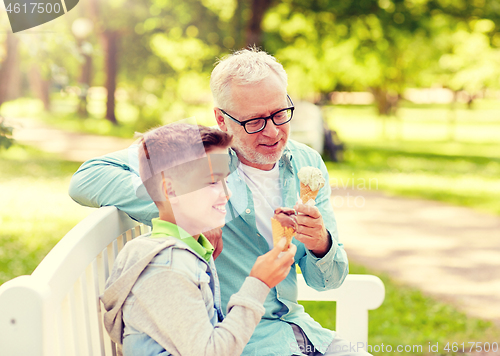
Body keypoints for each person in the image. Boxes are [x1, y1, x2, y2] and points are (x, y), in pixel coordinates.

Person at [70, 48, 369, 356]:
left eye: (280, 114)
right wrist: (188, 211)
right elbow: (88, 177)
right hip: (239, 341)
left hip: (299, 332)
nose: (273, 131)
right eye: (254, 121)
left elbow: (328, 282)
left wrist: (321, 242)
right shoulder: (196, 152)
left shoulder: (307, 161)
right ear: (221, 119)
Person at [101, 123, 297, 355]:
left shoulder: (188, 253)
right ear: (170, 191)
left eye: (226, 181)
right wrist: (259, 283)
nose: (226, 193)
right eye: (213, 181)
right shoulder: (166, 268)